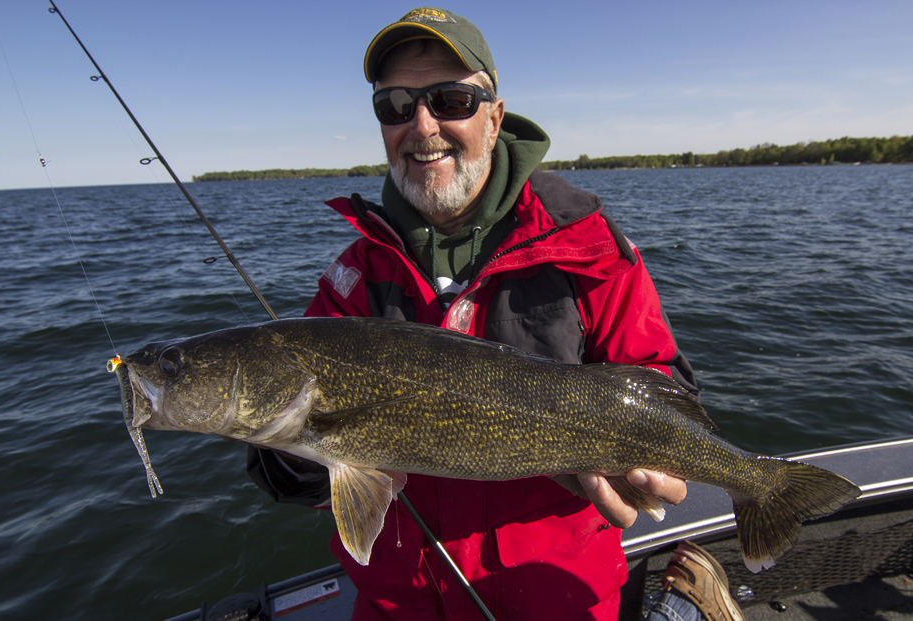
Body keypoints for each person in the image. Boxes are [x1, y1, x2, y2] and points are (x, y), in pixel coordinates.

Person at [248, 7, 729, 620]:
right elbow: (294, 479)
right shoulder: (354, 279)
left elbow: (663, 383)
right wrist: (300, 450)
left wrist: (663, 469)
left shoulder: (590, 248)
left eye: (450, 99)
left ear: (495, 116)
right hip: (402, 606)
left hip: (560, 595)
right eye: (394, 105)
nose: (422, 126)